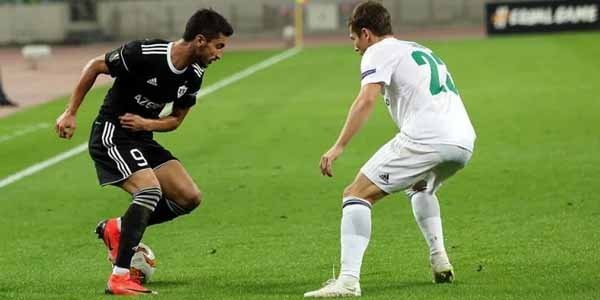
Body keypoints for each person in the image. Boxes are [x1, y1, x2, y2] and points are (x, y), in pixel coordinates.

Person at [55, 9, 233, 296]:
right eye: (218, 46)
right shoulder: (145, 53)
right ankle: (120, 276)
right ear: (200, 40)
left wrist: (146, 123)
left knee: (189, 197)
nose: (219, 54)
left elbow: (176, 119)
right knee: (149, 191)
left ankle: (118, 228)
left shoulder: (194, 75)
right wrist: (70, 113)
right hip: (111, 133)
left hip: (141, 137)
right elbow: (95, 66)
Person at [304, 1, 476, 297]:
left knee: (356, 194)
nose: (355, 47)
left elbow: (366, 100)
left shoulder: (378, 51)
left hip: (427, 137)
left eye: (354, 39)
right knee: (420, 188)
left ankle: (347, 281)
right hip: (463, 141)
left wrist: (338, 147)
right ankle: (440, 260)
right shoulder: (416, 49)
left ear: (366, 34)